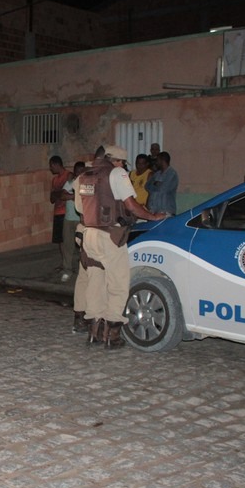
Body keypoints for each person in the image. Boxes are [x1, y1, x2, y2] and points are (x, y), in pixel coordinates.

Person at [75, 145, 167, 348]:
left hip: (89, 235)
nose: (124, 166)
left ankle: (94, 332)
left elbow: (80, 208)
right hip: (110, 236)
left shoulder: (84, 176)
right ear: (118, 161)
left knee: (95, 283)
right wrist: (152, 216)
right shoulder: (116, 173)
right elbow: (130, 204)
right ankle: (112, 335)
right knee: (118, 284)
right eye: (124, 163)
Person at [71, 145, 105, 334]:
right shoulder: (100, 178)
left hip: (83, 229)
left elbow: (79, 207)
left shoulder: (82, 179)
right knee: (96, 276)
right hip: (94, 231)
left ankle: (79, 317)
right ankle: (95, 320)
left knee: (84, 276)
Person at [59, 161, 86, 283]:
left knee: (84, 246)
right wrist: (74, 196)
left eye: (82, 170)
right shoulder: (69, 183)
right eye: (77, 170)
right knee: (67, 245)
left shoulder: (86, 184)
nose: (79, 173)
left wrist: (71, 195)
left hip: (81, 219)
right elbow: (63, 196)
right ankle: (67, 270)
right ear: (74, 171)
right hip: (69, 218)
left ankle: (84, 270)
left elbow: (84, 197)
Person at [48, 155, 71, 278]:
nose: (51, 169)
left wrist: (58, 193)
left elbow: (65, 193)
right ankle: (64, 263)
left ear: (57, 164)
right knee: (60, 241)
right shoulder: (55, 180)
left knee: (67, 240)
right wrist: (59, 193)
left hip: (66, 211)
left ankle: (68, 264)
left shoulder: (68, 175)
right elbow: (52, 198)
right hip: (57, 211)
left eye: (51, 166)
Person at [145, 151, 178, 215]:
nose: (156, 162)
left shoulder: (172, 174)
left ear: (162, 160)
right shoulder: (157, 174)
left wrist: (155, 185)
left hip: (166, 211)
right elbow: (147, 186)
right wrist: (157, 184)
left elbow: (164, 189)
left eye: (157, 160)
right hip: (153, 211)